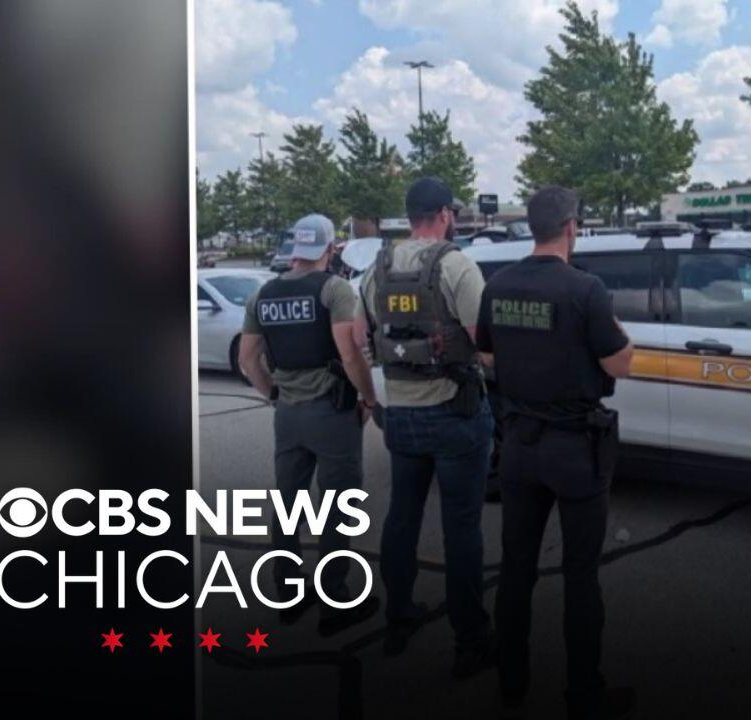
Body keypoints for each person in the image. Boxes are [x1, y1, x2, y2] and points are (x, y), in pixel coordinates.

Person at [477, 186, 637, 720]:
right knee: (580, 576)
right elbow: (618, 364)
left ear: (532, 227)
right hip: (575, 452)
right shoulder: (586, 289)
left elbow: (485, 355)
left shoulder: (498, 285)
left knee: (516, 569)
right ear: (571, 228)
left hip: (519, 447)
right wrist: (620, 336)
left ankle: (511, 683)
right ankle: (584, 695)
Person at [353, 177, 495, 678]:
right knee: (462, 529)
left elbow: (361, 334)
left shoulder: (377, 269)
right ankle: (470, 640)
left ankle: (398, 618)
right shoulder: (456, 265)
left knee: (402, 518)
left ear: (410, 216)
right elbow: (484, 342)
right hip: (455, 411)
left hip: (402, 413)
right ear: (445, 214)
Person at [238, 213, 381, 635]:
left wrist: (273, 394)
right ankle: (335, 602)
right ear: (331, 249)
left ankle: (288, 594)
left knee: (288, 505)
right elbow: (349, 353)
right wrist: (368, 398)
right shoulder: (333, 289)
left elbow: (248, 360)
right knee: (336, 508)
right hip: (331, 413)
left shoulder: (262, 294)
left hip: (288, 415)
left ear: (294, 248)